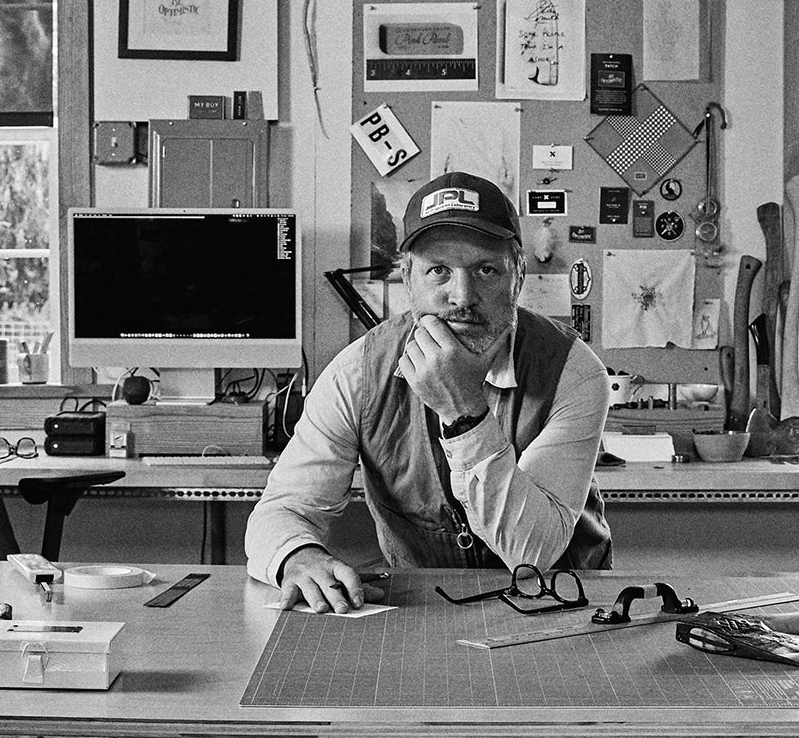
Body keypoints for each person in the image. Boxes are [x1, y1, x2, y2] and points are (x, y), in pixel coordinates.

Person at [247, 171, 613, 612]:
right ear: (407, 277)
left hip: (568, 604)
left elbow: (533, 554)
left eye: (486, 270)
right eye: (439, 271)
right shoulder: (358, 373)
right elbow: (281, 510)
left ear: (518, 274)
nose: (462, 296)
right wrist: (297, 556)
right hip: (424, 607)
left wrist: (465, 415)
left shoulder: (573, 371)